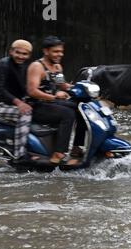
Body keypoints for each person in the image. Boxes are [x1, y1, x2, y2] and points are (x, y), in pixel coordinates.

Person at [27, 36, 83, 165]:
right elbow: (32, 91)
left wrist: (82, 87)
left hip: (51, 103)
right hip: (36, 106)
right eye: (56, 51)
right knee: (67, 114)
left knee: (80, 107)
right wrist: (54, 97)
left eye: (61, 51)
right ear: (46, 51)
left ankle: (76, 147)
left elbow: (62, 85)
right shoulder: (37, 66)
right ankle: (58, 153)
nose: (60, 54)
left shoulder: (57, 67)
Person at [0, 39, 35, 162]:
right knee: (25, 113)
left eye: (24, 54)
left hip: (16, 104)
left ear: (29, 55)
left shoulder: (25, 66)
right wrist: (19, 103)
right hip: (0, 105)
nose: (21, 56)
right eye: (18, 52)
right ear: (11, 51)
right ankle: (19, 155)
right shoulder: (2, 65)